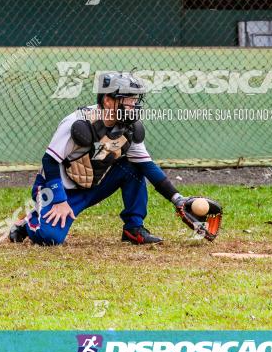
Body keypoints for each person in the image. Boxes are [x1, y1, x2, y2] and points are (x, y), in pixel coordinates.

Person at [9, 72, 187, 245]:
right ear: (108, 100)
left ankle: (133, 228)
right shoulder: (78, 123)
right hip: (55, 189)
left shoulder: (128, 127)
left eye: (135, 100)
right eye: (127, 100)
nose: (133, 105)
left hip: (92, 184)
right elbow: (49, 161)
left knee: (134, 167)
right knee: (49, 238)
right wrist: (59, 200)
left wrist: (178, 199)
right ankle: (28, 222)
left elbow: (147, 165)